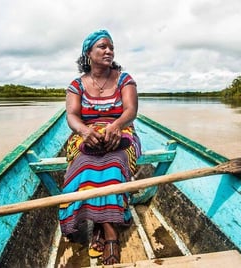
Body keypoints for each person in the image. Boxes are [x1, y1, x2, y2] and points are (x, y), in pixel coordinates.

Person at [59, 29, 141, 265]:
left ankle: (108, 233)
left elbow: (130, 111)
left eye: (111, 47)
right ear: (88, 53)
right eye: (102, 47)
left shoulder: (124, 79)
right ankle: (104, 228)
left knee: (114, 163)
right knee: (85, 164)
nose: (109, 51)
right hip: (86, 134)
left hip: (121, 131)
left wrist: (116, 125)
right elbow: (72, 116)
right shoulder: (77, 84)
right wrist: (85, 131)